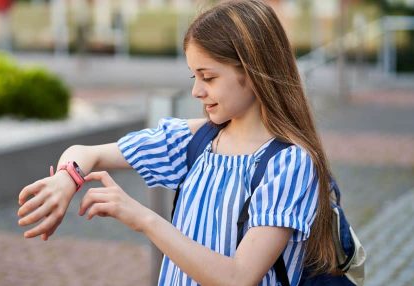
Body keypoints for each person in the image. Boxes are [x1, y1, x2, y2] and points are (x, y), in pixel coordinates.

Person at [17, 1, 337, 285]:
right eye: (192, 77)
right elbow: (89, 154)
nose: (197, 91)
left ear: (253, 71)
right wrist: (66, 179)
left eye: (208, 77)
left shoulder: (289, 163)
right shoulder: (193, 140)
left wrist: (143, 219)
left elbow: (239, 277)